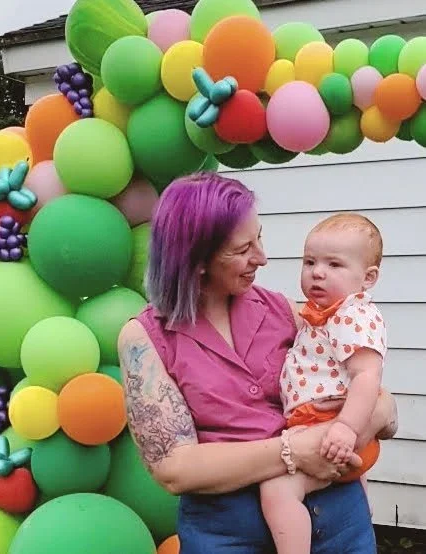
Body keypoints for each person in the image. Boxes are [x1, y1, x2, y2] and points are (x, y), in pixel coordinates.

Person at [117, 173, 398, 553]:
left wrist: (374, 413)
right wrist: (294, 449)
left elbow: (374, 396)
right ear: (196, 259)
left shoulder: (285, 311)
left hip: (343, 529)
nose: (262, 258)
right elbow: (174, 469)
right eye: (243, 249)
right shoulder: (145, 339)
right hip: (229, 539)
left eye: (259, 238)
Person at [260, 213, 387, 554]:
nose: (317, 272)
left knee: (277, 490)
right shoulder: (325, 314)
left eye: (334, 264)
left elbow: (367, 376)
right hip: (321, 427)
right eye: (309, 262)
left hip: (332, 431)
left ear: (368, 278)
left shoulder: (352, 316)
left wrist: (346, 427)